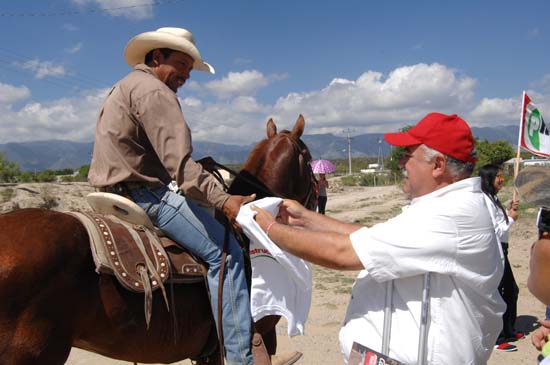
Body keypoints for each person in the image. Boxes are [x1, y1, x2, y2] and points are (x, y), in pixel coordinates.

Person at [251, 112, 505, 364]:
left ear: (438, 165)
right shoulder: (443, 206)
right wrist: (306, 218)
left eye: (408, 156)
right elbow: (371, 236)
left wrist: (270, 228)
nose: (401, 164)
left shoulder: (451, 216)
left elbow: (343, 253)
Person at [88, 27, 261, 365]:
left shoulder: (123, 87)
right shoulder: (155, 92)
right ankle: (241, 358)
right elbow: (181, 168)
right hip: (146, 196)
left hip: (105, 192)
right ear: (156, 58)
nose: (185, 76)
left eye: (188, 69)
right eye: (181, 65)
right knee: (226, 255)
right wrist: (224, 199)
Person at [480, 164, 523, 352]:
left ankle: (509, 330)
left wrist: (507, 210)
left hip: (502, 251)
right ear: (489, 178)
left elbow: (499, 222)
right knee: (500, 294)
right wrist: (511, 218)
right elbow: (494, 231)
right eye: (498, 176)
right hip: (495, 252)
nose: (501, 179)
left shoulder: (493, 198)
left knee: (511, 291)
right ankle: (497, 338)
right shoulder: (484, 201)